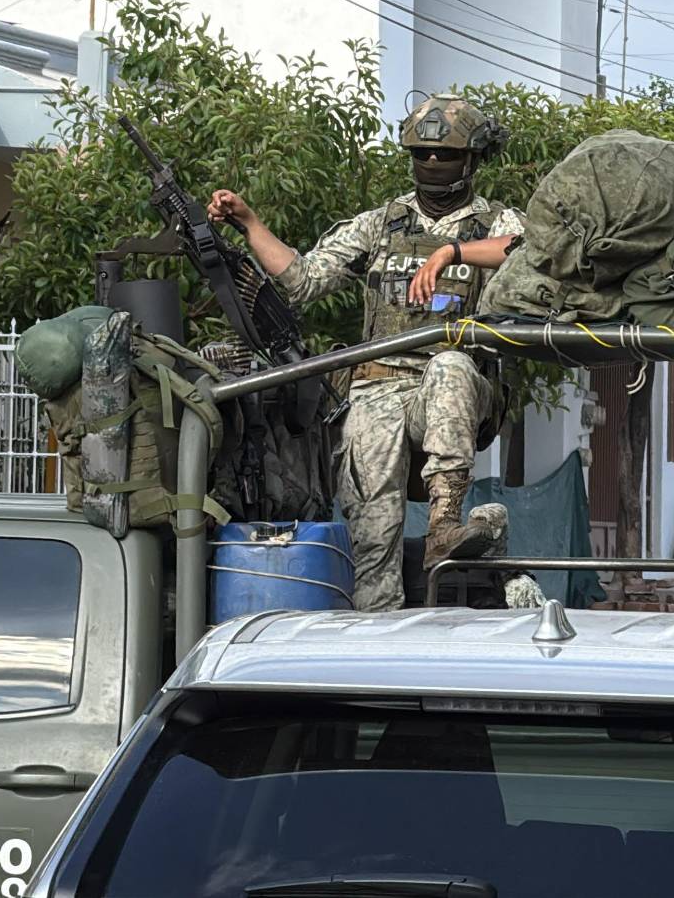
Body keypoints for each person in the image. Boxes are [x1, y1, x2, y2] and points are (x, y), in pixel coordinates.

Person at [208, 94, 524, 611]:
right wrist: (250, 222)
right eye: (422, 155)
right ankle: (378, 646)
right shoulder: (381, 225)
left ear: (472, 160)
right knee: (373, 543)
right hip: (379, 387)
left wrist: (453, 252)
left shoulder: (496, 221)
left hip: (452, 391)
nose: (432, 166)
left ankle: (445, 520)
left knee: (448, 364)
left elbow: (531, 252)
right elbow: (303, 279)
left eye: (444, 156)